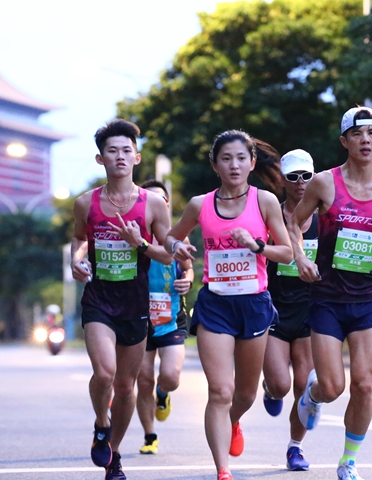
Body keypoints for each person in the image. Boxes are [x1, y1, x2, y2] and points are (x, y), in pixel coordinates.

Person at [286, 106, 372, 480]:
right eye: (357, 134)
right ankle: (312, 395)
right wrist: (299, 257)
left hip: (365, 301)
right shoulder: (324, 184)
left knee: (363, 383)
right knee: (332, 386)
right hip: (326, 299)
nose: (366, 140)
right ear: (344, 141)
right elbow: (293, 223)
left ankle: (348, 461)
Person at [164, 130, 292, 480]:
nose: (234, 165)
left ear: (252, 163)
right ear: (215, 164)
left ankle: (234, 420)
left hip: (253, 304)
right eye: (226, 158)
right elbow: (171, 235)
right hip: (215, 305)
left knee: (245, 393)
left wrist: (257, 246)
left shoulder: (264, 201)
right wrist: (177, 247)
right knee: (220, 390)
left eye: (240, 158)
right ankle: (223, 470)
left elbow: (287, 253)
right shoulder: (199, 204)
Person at [70, 119, 172, 480]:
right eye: (112, 151)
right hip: (99, 299)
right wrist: (76, 260)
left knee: (127, 387)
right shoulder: (87, 203)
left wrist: (139, 243)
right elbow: (80, 239)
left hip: (135, 302)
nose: (120, 157)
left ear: (137, 157)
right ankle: (101, 422)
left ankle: (113, 454)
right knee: (105, 372)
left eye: (126, 151)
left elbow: (166, 254)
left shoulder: (154, 204)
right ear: (101, 159)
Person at [262, 149, 318, 471]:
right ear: (283, 180)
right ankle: (270, 388)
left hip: (310, 313)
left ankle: (295, 448)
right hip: (274, 310)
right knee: (282, 385)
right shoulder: (272, 215)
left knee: (303, 386)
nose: (300, 183)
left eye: (306, 176)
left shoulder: (325, 219)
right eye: (293, 177)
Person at [135, 180, 194, 455]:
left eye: (163, 199)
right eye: (152, 199)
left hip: (171, 316)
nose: (158, 203)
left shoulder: (179, 235)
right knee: (143, 379)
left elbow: (188, 268)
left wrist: (188, 280)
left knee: (170, 376)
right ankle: (150, 436)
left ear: (167, 204)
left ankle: (163, 395)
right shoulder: (134, 234)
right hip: (138, 318)